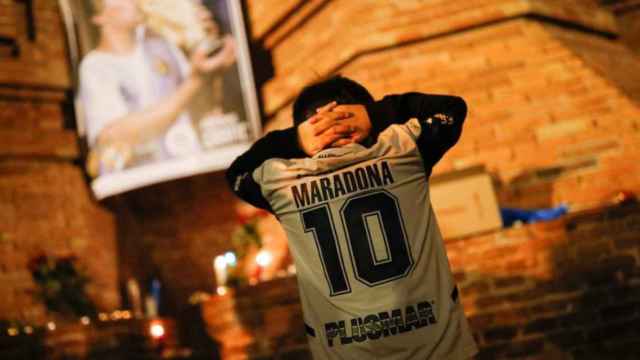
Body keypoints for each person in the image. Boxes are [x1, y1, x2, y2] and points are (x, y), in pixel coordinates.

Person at [226, 76, 478, 359]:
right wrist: (373, 114)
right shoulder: (402, 150)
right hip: (440, 350)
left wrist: (295, 138)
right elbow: (451, 108)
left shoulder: (280, 181)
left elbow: (236, 173)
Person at [79, 0, 236, 176]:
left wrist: (210, 50)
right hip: (146, 179)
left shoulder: (161, 46)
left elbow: (201, 105)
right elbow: (116, 135)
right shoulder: (95, 66)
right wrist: (195, 80)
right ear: (99, 17)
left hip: (193, 164)